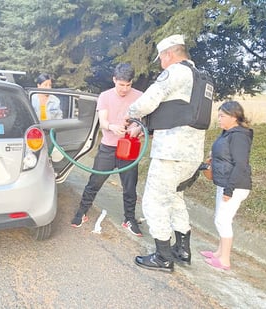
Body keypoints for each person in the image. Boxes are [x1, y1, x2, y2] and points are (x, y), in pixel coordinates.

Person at [128, 34, 206, 272]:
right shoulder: (202, 77)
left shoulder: (175, 72)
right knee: (175, 198)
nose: (161, 63)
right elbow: (178, 113)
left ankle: (162, 257)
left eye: (161, 58)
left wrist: (131, 114)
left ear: (168, 54)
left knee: (154, 202)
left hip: (171, 153)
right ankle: (182, 249)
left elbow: (147, 102)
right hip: (192, 155)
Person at [71, 63, 144, 236]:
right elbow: (102, 121)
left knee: (130, 187)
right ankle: (82, 211)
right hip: (108, 147)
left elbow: (143, 120)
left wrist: (138, 129)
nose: (125, 89)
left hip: (129, 148)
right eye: (121, 85)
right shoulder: (105, 96)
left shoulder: (140, 96)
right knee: (95, 181)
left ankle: (130, 219)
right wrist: (111, 126)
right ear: (114, 80)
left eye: (128, 85)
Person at [201, 101, 253, 270]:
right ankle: (218, 252)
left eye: (222, 116)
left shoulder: (239, 136)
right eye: (219, 116)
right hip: (224, 181)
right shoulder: (227, 133)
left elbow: (241, 164)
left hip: (235, 185)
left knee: (223, 220)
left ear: (234, 116)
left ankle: (224, 260)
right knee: (220, 218)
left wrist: (229, 189)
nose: (219, 119)